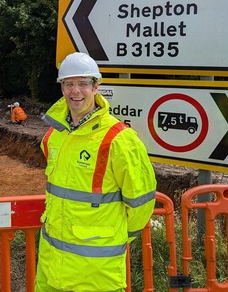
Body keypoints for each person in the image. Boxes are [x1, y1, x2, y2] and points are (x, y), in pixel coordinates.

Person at [35, 52, 157, 292]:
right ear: (62, 88)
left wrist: (114, 236)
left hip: (95, 275)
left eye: (83, 84)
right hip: (51, 270)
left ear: (96, 87)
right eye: (69, 84)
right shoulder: (54, 135)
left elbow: (141, 204)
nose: (75, 91)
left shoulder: (119, 139)